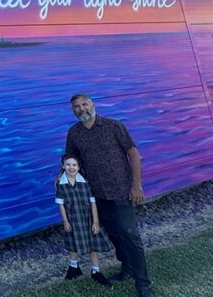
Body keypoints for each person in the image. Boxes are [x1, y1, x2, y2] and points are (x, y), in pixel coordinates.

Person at [64, 93, 154, 297]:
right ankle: (127, 268)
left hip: (121, 190)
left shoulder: (114, 126)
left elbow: (133, 154)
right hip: (96, 195)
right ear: (73, 110)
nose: (81, 109)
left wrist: (136, 185)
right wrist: (63, 176)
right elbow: (70, 159)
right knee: (114, 234)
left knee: (130, 235)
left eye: (84, 104)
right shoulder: (74, 133)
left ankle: (143, 284)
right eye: (76, 106)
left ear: (92, 104)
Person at [55, 154, 113, 287]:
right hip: (72, 219)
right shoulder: (60, 183)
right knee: (72, 243)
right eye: (68, 165)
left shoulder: (85, 182)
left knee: (93, 245)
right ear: (63, 166)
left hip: (87, 219)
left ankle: (95, 271)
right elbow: (60, 203)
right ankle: (74, 267)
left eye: (74, 165)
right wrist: (65, 221)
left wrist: (96, 222)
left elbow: (92, 202)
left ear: (79, 167)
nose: (71, 167)